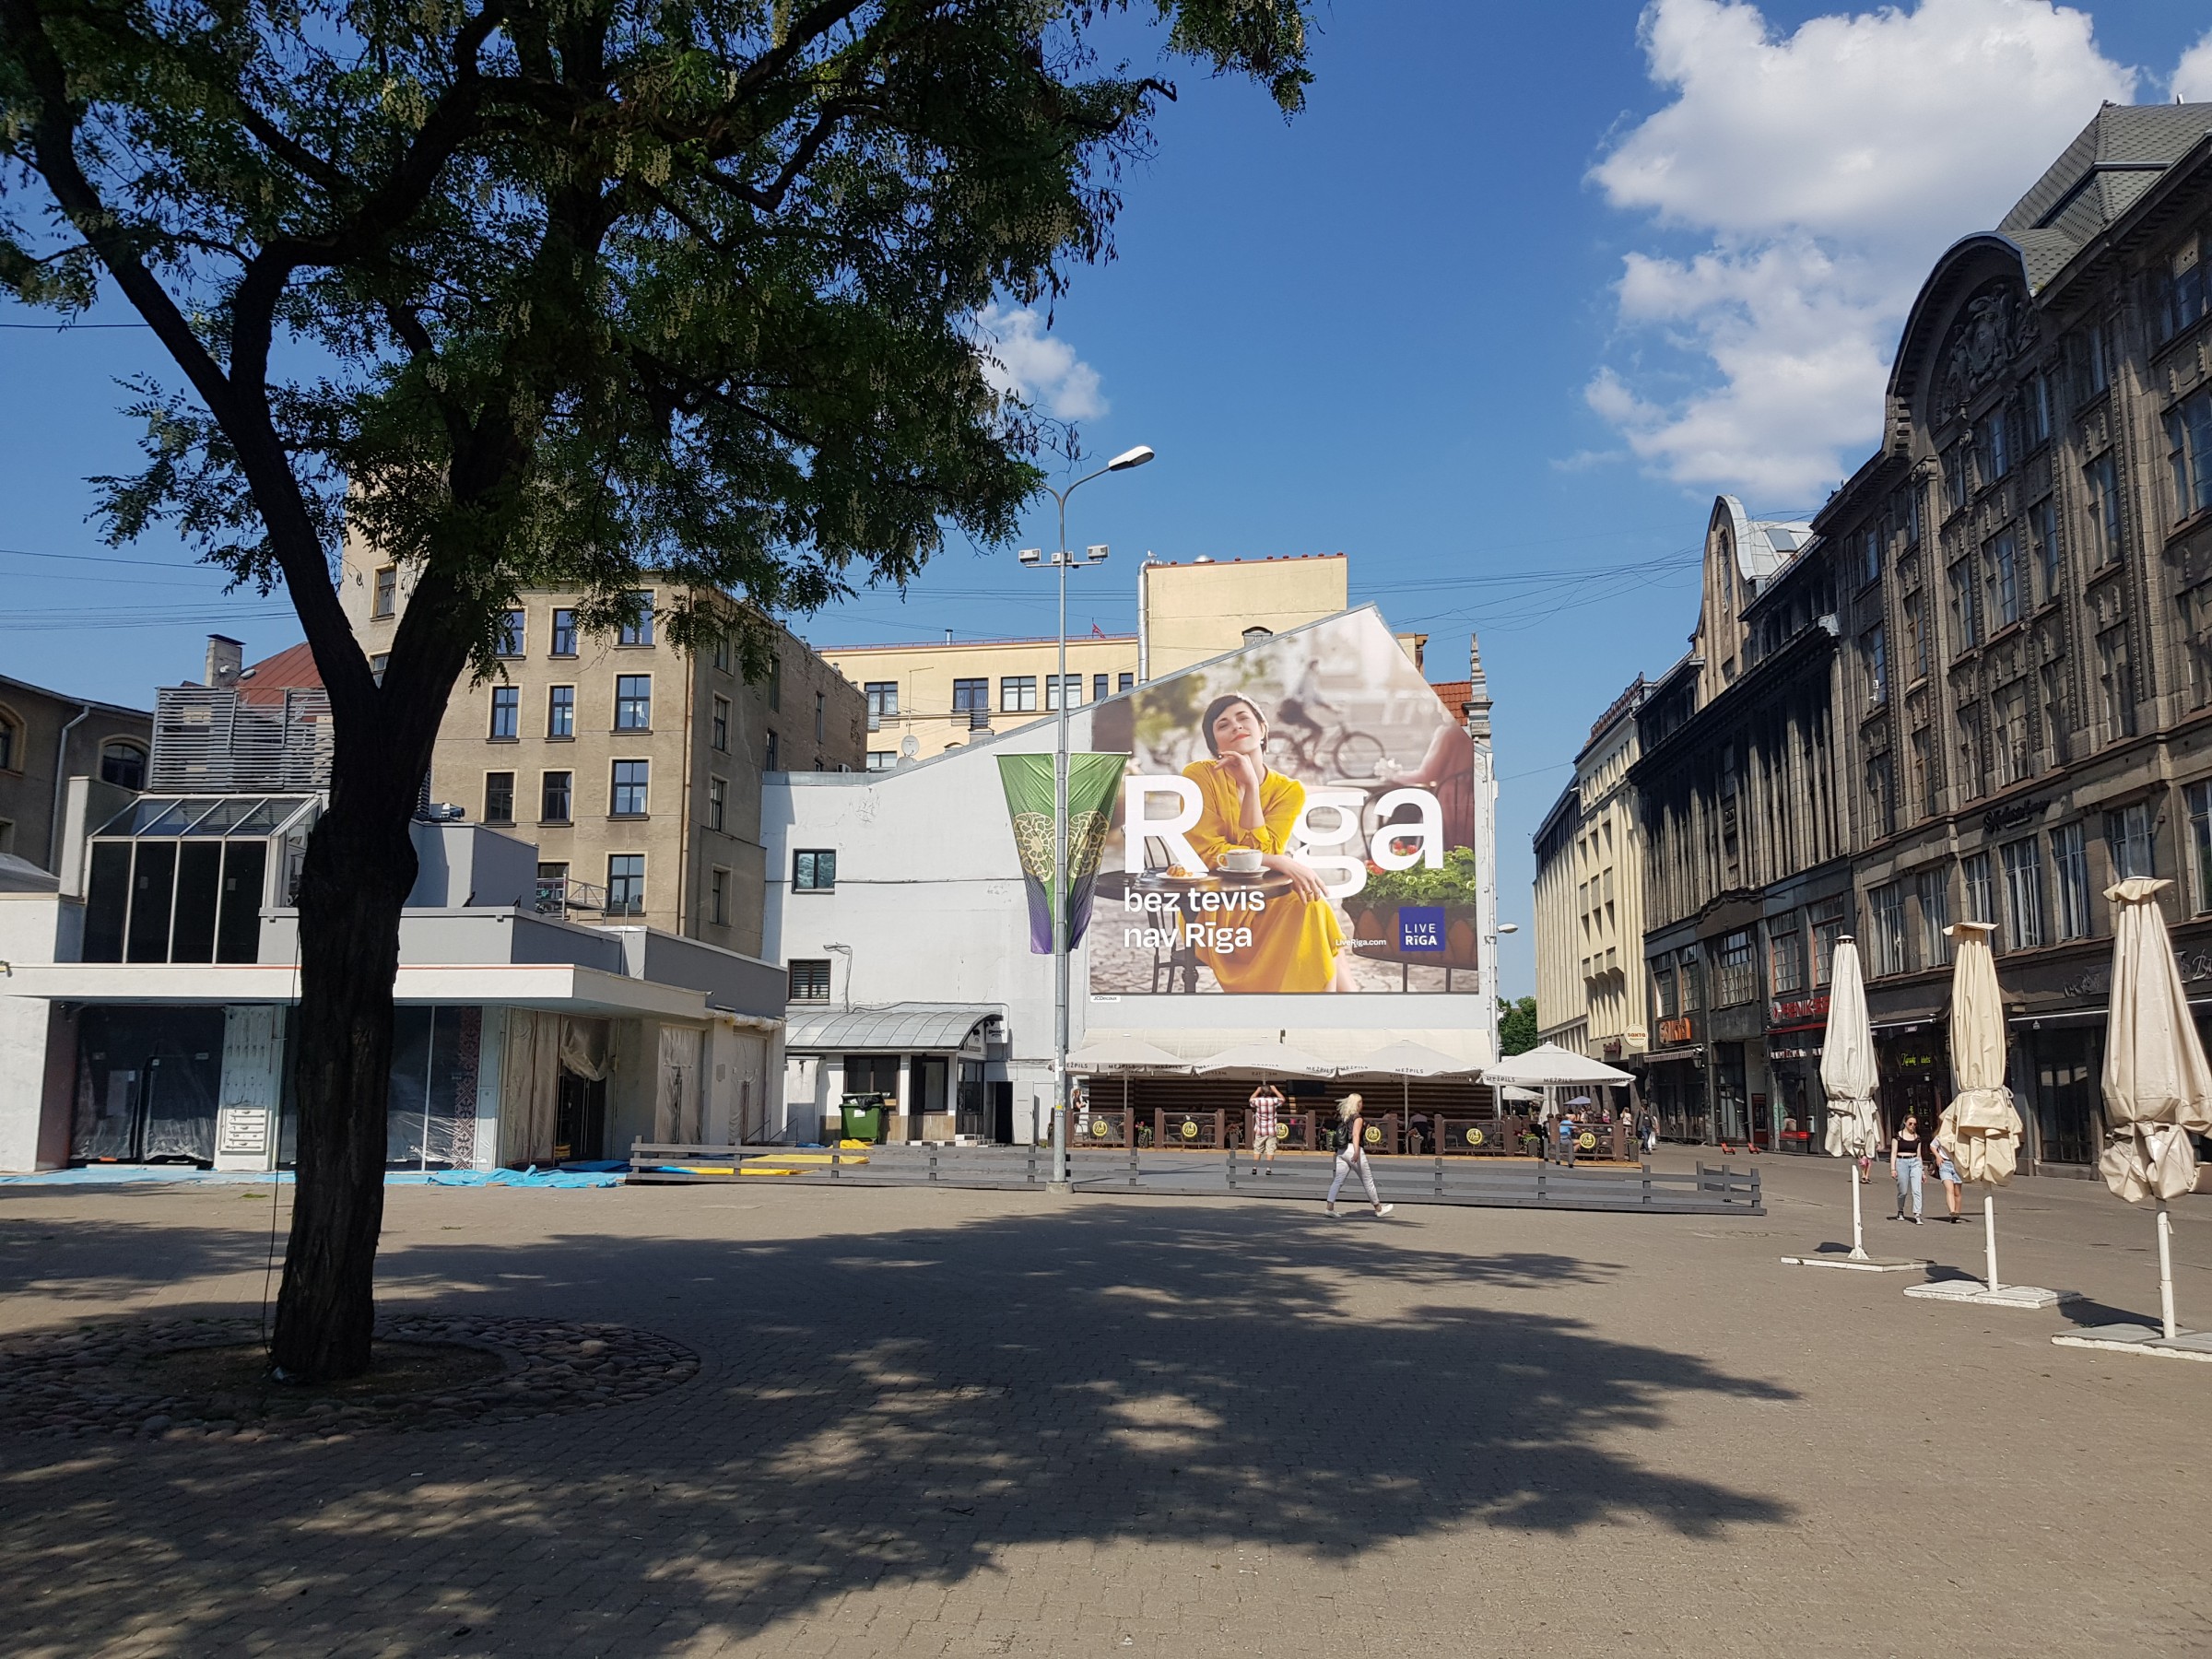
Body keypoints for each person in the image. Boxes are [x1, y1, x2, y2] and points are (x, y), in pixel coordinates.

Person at [1181, 694, 1355, 994]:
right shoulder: (1199, 776)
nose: (1236, 726)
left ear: (1263, 729)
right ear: (1215, 744)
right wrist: (1279, 861)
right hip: (1216, 906)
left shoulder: (1289, 790)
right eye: (1223, 725)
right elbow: (1207, 854)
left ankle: (1336, 1002)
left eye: (1243, 718)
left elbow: (1262, 852)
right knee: (1316, 911)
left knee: (1312, 906)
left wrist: (1250, 787)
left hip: (1267, 900)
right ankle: (1345, 1001)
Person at [1324, 1093, 1394, 1219]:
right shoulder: (1358, 1118)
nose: (1362, 1104)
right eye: (1361, 1102)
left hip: (1342, 1150)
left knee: (1338, 1180)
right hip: (1353, 1148)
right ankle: (1378, 1208)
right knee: (1367, 1180)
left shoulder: (1345, 1117)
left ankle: (1330, 1207)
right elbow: (1355, 1135)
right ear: (1357, 1104)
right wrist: (1357, 1151)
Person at [1890, 1114, 1924, 1225]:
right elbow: (1893, 1153)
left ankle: (1917, 1214)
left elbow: (1919, 1155)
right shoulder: (1897, 1136)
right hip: (1901, 1162)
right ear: (1905, 1123)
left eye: (1915, 1124)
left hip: (1915, 1162)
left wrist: (1922, 1171)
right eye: (1910, 1123)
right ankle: (1900, 1210)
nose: (1912, 1126)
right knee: (1903, 1191)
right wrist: (1893, 1169)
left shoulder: (1917, 1137)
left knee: (1917, 1190)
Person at [1249, 1079, 1285, 1173]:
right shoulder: (1273, 1101)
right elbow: (1282, 1099)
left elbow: (1251, 1100)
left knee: (1258, 1149)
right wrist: (1275, 1090)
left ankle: (1255, 1168)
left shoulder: (1258, 1101)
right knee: (1270, 1149)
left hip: (1260, 1129)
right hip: (1271, 1129)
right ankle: (1268, 1169)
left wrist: (1257, 1090)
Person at [1930, 1132, 1965, 1223]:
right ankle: (1952, 1212)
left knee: (1957, 1192)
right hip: (1944, 1164)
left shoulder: (1961, 1135)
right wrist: (1938, 1156)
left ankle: (1957, 1213)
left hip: (1958, 1164)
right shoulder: (1942, 1135)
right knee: (1950, 1190)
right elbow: (1932, 1146)